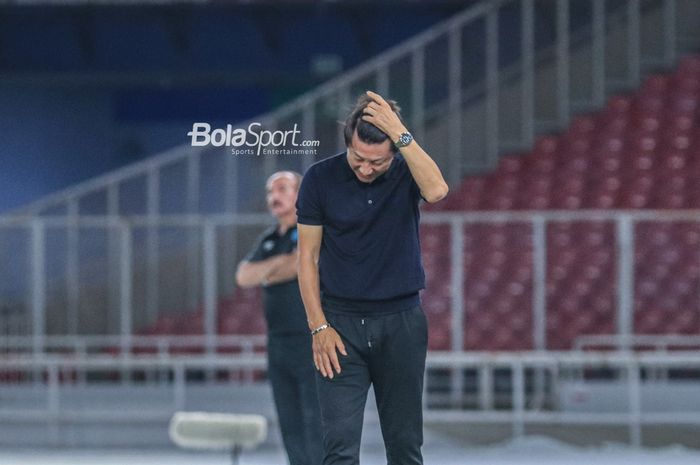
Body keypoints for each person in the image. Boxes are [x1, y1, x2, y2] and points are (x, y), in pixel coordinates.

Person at [296, 91, 449, 465]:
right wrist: (318, 327)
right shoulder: (320, 178)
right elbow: (307, 258)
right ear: (347, 143)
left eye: (376, 163)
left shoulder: (407, 170)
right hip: (339, 327)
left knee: (404, 445)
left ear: (395, 151)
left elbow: (437, 190)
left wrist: (400, 132)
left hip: (401, 323)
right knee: (340, 449)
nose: (365, 169)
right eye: (357, 158)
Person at [236, 170, 323, 465]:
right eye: (270, 192)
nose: (275, 197)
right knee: (290, 421)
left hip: (311, 340)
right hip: (278, 344)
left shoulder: (313, 228)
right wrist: (280, 265)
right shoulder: (270, 238)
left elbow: (304, 262)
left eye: (283, 189)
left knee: (316, 420)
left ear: (300, 194)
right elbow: (244, 275)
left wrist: (269, 271)